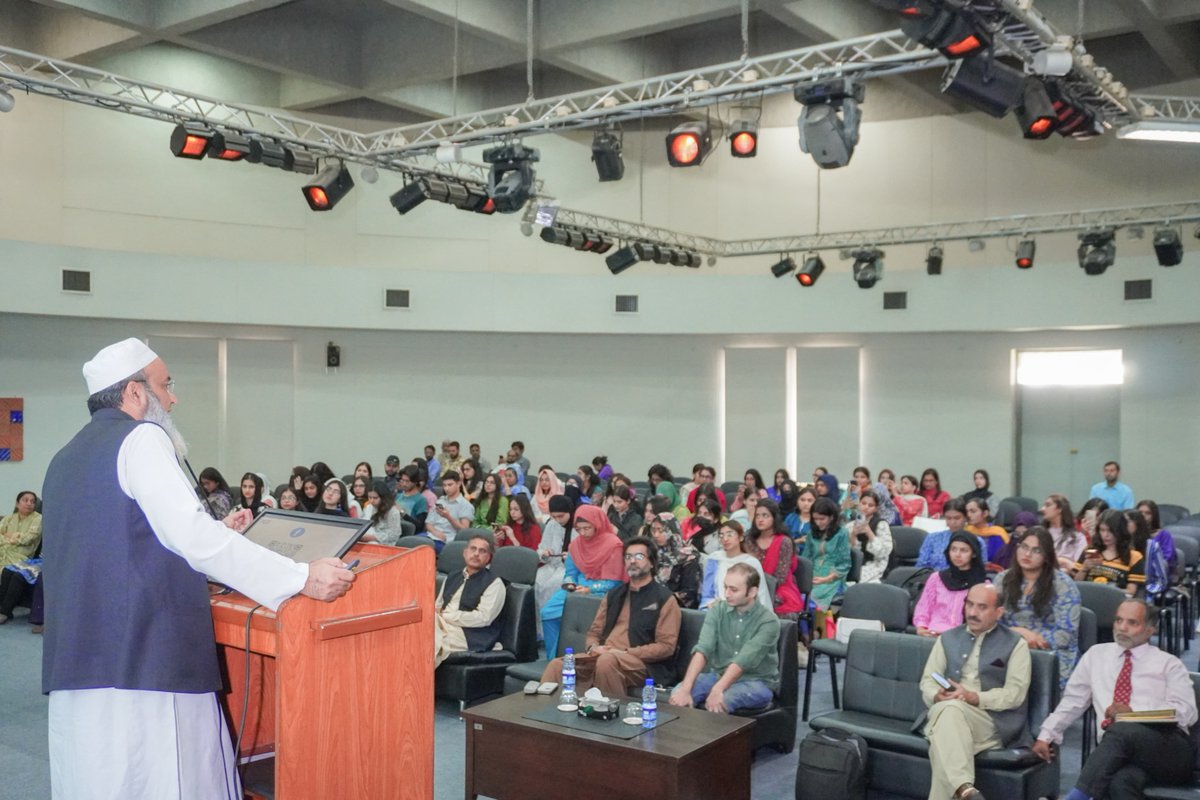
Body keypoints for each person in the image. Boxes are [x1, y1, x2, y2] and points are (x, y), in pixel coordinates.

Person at [41, 338, 354, 799]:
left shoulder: (64, 457)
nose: (173, 398)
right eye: (165, 385)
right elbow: (191, 538)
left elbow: (120, 542)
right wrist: (301, 577)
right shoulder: (142, 437)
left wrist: (219, 529)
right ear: (133, 393)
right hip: (145, 666)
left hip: (83, 663)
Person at [1032, 599, 1198, 800]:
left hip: (1168, 751)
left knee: (1122, 726)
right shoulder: (1096, 655)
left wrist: (1136, 716)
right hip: (1118, 754)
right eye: (1118, 621)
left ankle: (1076, 798)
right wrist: (1046, 734)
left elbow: (1187, 712)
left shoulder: (1169, 664)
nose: (1122, 628)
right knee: (1120, 782)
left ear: (1150, 629)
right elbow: (1072, 701)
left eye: (1132, 623)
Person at [918, 583, 1032, 800]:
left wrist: (974, 697)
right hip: (947, 710)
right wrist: (936, 695)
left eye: (981, 607)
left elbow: (1015, 694)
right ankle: (965, 790)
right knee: (950, 711)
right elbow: (927, 680)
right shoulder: (947, 638)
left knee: (942, 738)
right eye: (969, 605)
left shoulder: (1016, 645)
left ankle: (964, 790)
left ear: (998, 612)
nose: (972, 612)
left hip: (990, 720)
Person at [541, 536, 682, 697]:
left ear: (651, 563)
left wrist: (625, 652)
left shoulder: (664, 598)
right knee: (557, 665)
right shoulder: (615, 594)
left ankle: (609, 716)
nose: (632, 561)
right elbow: (594, 632)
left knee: (607, 661)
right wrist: (593, 648)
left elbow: (666, 646)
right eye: (628, 557)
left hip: (643, 663)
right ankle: (540, 716)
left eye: (639, 556)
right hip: (603, 656)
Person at [669, 563, 780, 714]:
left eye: (733, 589)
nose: (727, 594)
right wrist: (686, 689)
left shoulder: (768, 621)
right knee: (677, 694)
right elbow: (703, 649)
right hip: (718, 674)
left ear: (752, 591)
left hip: (756, 681)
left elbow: (743, 661)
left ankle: (709, 737)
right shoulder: (717, 610)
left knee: (722, 701)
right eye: (725, 587)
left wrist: (718, 689)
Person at [996, 526, 1081, 690]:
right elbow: (992, 622)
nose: (1027, 554)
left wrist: (1032, 638)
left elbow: (1066, 636)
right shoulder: (1002, 579)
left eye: (1036, 550)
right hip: (1009, 647)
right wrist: (1019, 633)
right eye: (1024, 547)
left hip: (1051, 653)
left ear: (1047, 556)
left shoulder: (1063, 585)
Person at [539, 505, 626, 658]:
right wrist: (570, 584)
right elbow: (570, 573)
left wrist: (589, 589)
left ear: (598, 525)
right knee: (547, 613)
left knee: (582, 619)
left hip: (602, 592)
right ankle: (553, 657)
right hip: (576, 590)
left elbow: (615, 581)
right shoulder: (576, 545)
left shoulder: (614, 545)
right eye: (579, 529)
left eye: (587, 528)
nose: (583, 533)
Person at [433, 534, 506, 668]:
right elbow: (437, 606)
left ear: (488, 558)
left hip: (470, 636)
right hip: (442, 625)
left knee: (427, 638)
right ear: (465, 552)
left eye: (482, 551)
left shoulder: (495, 583)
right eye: (473, 549)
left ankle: (416, 684)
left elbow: (484, 618)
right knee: (417, 632)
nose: (476, 554)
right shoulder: (452, 576)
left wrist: (447, 617)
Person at [914, 532, 987, 637]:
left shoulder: (982, 584)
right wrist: (921, 627)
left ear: (973, 554)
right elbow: (923, 608)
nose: (957, 554)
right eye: (953, 549)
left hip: (965, 637)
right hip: (933, 633)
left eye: (964, 550)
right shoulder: (936, 578)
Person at [748, 499, 806, 619]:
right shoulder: (749, 540)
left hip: (778, 589)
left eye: (765, 515)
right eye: (757, 515)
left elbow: (780, 577)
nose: (760, 519)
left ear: (774, 518)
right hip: (750, 586)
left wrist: (759, 592)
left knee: (766, 606)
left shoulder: (784, 542)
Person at [700, 521, 771, 611]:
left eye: (730, 535)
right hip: (716, 609)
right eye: (721, 536)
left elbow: (760, 594)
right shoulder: (715, 559)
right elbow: (707, 594)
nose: (725, 539)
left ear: (741, 537)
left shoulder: (751, 562)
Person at [800, 497, 851, 619]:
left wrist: (826, 579)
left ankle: (817, 630)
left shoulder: (841, 533)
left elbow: (844, 563)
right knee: (796, 597)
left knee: (811, 598)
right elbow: (806, 559)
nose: (818, 522)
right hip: (813, 575)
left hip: (833, 576)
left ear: (832, 517)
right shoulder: (811, 534)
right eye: (815, 519)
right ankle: (805, 633)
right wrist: (806, 578)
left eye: (822, 519)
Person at [1074, 509, 1144, 597]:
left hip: (1115, 601)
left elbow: (1131, 592)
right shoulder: (1090, 551)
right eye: (1102, 530)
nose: (1105, 535)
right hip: (1088, 598)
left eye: (1110, 531)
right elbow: (1075, 585)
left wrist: (1106, 592)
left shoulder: (1134, 557)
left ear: (1120, 531)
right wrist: (1084, 569)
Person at [0, 490, 43, 625]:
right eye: (25, 500)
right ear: (17, 503)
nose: (29, 504)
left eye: (33, 501)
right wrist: (16, 537)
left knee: (10, 572)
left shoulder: (38, 519)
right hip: (4, 551)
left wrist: (9, 536)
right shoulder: (8, 518)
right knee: (6, 570)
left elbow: (29, 538)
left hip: (22, 555)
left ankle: (5, 612)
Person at [646, 513, 701, 609]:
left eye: (661, 530)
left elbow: (689, 593)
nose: (656, 535)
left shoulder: (688, 557)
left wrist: (661, 600)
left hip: (673, 607)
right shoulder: (652, 553)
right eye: (653, 530)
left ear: (672, 530)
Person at [533, 495, 573, 620]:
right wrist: (544, 553)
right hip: (552, 564)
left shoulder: (578, 527)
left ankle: (551, 620)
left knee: (553, 585)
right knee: (537, 581)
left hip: (568, 569)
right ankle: (539, 625)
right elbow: (541, 548)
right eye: (554, 517)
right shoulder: (552, 524)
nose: (558, 520)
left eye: (561, 516)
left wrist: (571, 558)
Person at [917, 498, 977, 571]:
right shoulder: (932, 538)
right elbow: (921, 566)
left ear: (965, 518)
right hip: (933, 578)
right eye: (948, 518)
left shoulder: (976, 541)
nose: (952, 522)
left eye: (957, 518)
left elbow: (979, 568)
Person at [851, 490, 893, 584]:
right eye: (863, 503)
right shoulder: (851, 524)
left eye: (870, 505)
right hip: (853, 563)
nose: (866, 507)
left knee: (856, 581)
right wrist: (853, 534)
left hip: (874, 564)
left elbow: (884, 552)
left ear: (876, 508)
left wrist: (869, 532)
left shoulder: (881, 524)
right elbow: (847, 550)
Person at [424, 470, 473, 551]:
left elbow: (464, 531)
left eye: (450, 485)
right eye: (444, 485)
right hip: (431, 535)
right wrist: (435, 531)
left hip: (447, 541)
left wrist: (448, 517)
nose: (446, 488)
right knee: (412, 544)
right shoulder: (440, 501)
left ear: (458, 484)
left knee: (423, 549)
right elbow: (428, 523)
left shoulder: (466, 505)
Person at [1041, 494, 1086, 571]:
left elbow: (1078, 568)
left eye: (1048, 505)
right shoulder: (1040, 534)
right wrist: (1064, 561)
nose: (1042, 509)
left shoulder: (1078, 537)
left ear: (1059, 509)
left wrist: (1062, 561)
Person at [964, 496, 1008, 564]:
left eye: (973, 511)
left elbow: (1000, 559)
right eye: (967, 512)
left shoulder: (997, 533)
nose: (968, 515)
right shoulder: (966, 531)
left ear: (985, 513)